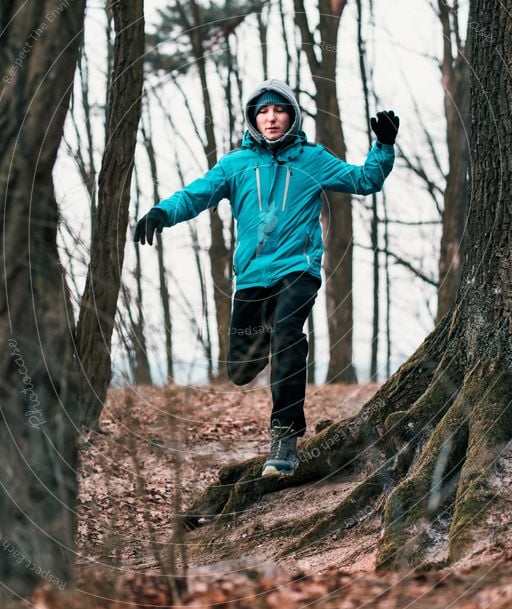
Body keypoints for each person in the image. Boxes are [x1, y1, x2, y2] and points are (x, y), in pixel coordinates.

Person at [134, 79, 399, 477]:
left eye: (279, 110)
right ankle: (260, 357)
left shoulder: (312, 158)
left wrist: (383, 147)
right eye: (263, 111)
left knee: (287, 336)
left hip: (298, 269)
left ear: (291, 116)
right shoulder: (236, 164)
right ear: (253, 119)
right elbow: (195, 195)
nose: (271, 118)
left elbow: (364, 180)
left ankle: (285, 436)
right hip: (253, 276)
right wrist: (161, 212)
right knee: (240, 371)